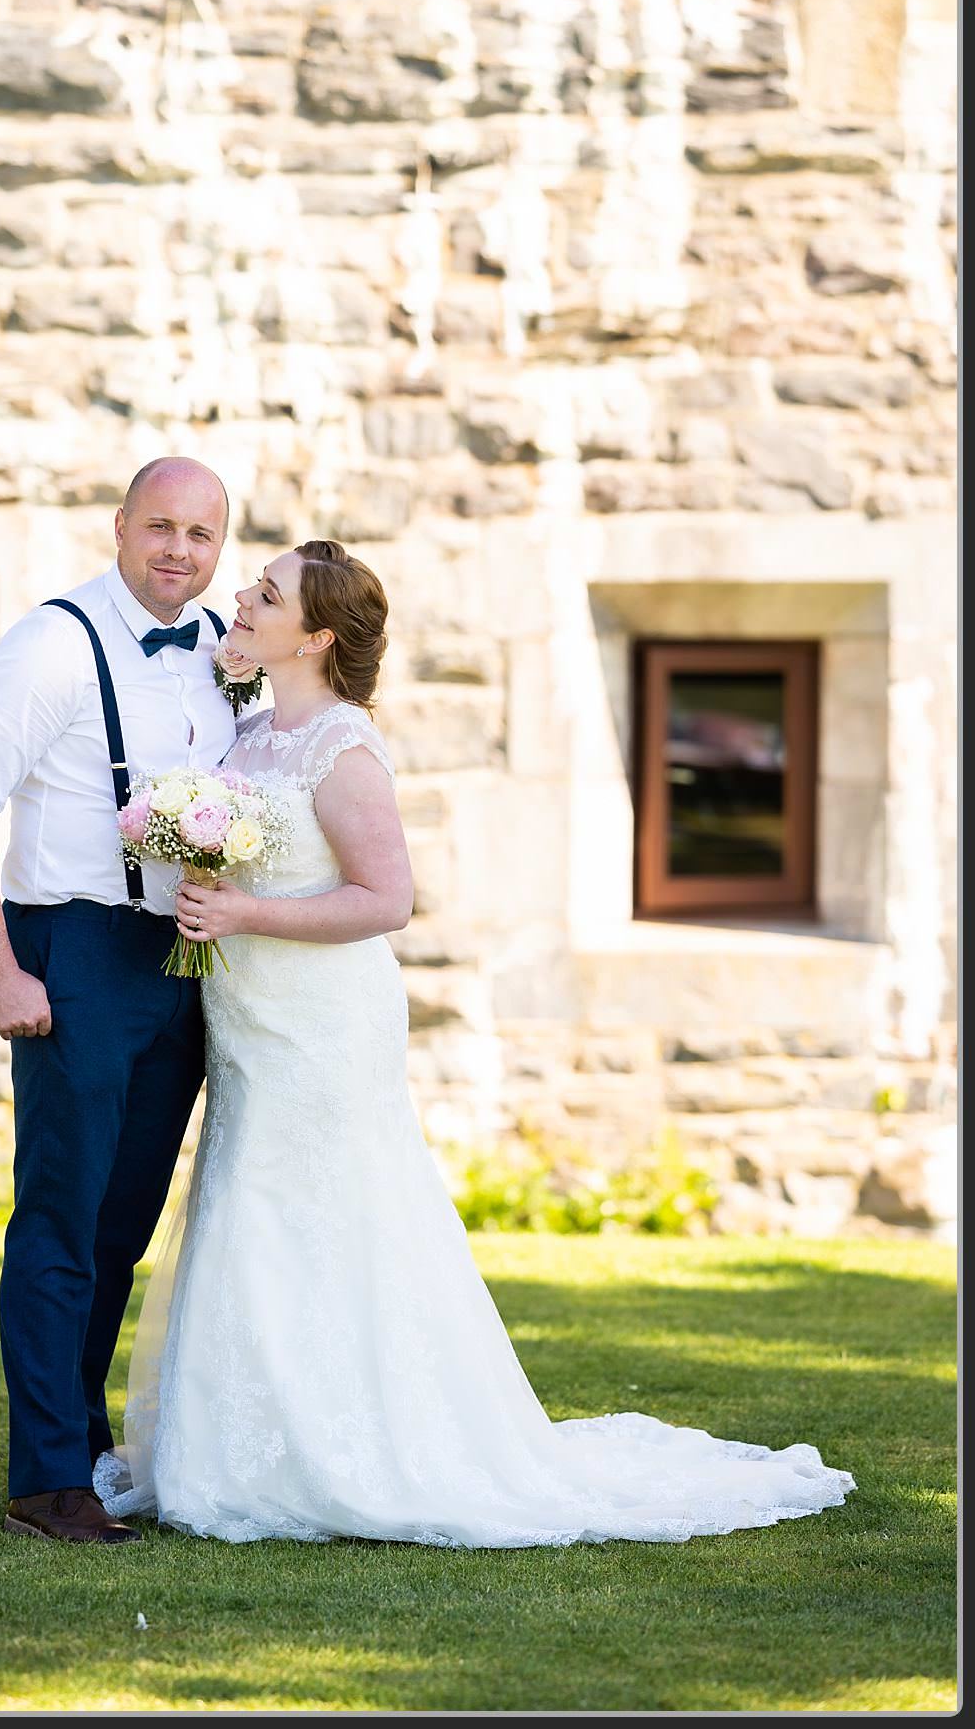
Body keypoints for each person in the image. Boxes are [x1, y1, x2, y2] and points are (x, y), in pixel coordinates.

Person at [98, 539, 854, 1546]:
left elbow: (387, 899)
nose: (242, 594)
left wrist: (242, 917)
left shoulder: (342, 747)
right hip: (248, 1018)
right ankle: (241, 1442)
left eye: (266, 592)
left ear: (317, 636)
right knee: (247, 1199)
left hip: (322, 1021)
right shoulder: (247, 734)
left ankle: (361, 1448)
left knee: (323, 1207)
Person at [0, 457, 237, 1544]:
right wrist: (1, 971)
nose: (178, 551)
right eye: (160, 527)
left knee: (121, 1226)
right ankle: (43, 1478)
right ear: (118, 527)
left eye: (200, 534)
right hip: (73, 951)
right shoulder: (53, 644)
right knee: (60, 1216)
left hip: (182, 962)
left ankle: (86, 1440)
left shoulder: (221, 657)